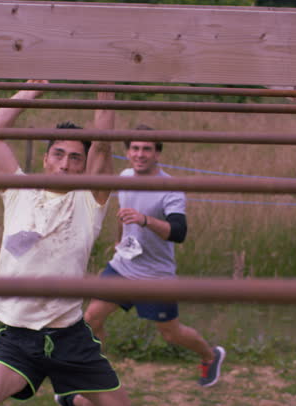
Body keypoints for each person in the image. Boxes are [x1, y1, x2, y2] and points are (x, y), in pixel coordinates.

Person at [0, 81, 131, 406]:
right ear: (45, 157)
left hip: (68, 335)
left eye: (76, 158)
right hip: (18, 335)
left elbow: (104, 145)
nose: (65, 164)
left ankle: (69, 397)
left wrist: (105, 87)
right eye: (58, 154)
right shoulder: (18, 189)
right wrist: (32, 91)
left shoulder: (90, 199)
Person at [84, 125, 225, 388]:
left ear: (157, 154)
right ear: (127, 152)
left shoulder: (170, 189)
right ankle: (97, 374)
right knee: (91, 319)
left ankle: (210, 355)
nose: (140, 154)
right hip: (123, 266)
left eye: (147, 148)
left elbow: (179, 232)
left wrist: (145, 220)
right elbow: (124, 213)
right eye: (135, 148)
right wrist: (119, 239)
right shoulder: (124, 177)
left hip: (155, 276)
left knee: (171, 334)